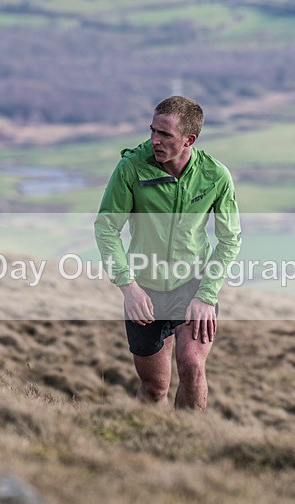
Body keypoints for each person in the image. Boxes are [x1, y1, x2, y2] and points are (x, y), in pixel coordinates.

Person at [94, 96, 241, 412]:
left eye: (165, 135)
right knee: (154, 388)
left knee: (191, 366)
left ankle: (189, 442)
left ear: (189, 140)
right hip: (144, 288)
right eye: (152, 131)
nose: (154, 140)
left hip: (193, 285)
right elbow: (106, 229)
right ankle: (145, 445)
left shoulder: (215, 176)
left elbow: (230, 240)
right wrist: (128, 287)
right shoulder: (131, 168)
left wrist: (206, 295)